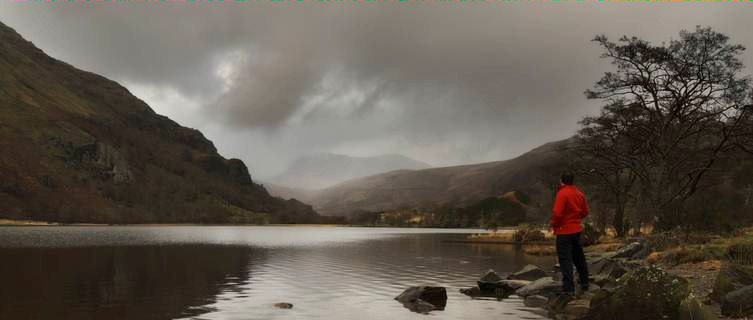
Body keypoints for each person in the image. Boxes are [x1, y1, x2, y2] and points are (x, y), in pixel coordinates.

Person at [550, 171, 589, 297]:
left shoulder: (562, 194)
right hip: (576, 230)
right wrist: (576, 218)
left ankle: (568, 289)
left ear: (561, 180)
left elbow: (557, 213)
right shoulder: (579, 194)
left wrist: (554, 225)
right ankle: (585, 283)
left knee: (565, 260)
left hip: (564, 231)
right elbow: (585, 212)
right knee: (579, 257)